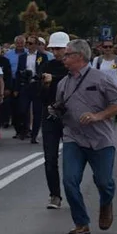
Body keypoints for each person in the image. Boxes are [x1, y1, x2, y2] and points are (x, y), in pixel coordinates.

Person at [56, 39, 117, 234]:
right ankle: (81, 222)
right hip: (73, 138)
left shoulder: (101, 79)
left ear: (79, 56)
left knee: (104, 182)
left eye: (67, 54)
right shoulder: (63, 83)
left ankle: (106, 203)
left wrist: (98, 116)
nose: (64, 58)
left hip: (100, 139)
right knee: (69, 180)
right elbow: (60, 105)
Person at [39, 32, 71, 209]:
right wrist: (44, 85)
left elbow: (73, 82)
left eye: (59, 48)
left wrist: (55, 80)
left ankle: (73, 192)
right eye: (54, 49)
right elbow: (41, 96)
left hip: (70, 116)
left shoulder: (73, 67)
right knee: (50, 158)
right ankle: (54, 195)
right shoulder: (47, 65)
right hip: (50, 115)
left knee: (72, 157)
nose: (56, 52)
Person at [92, 38, 117, 122]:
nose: (108, 49)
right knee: (102, 108)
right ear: (102, 48)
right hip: (100, 88)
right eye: (105, 47)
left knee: (115, 109)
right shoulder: (97, 60)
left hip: (114, 88)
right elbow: (92, 75)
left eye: (110, 47)